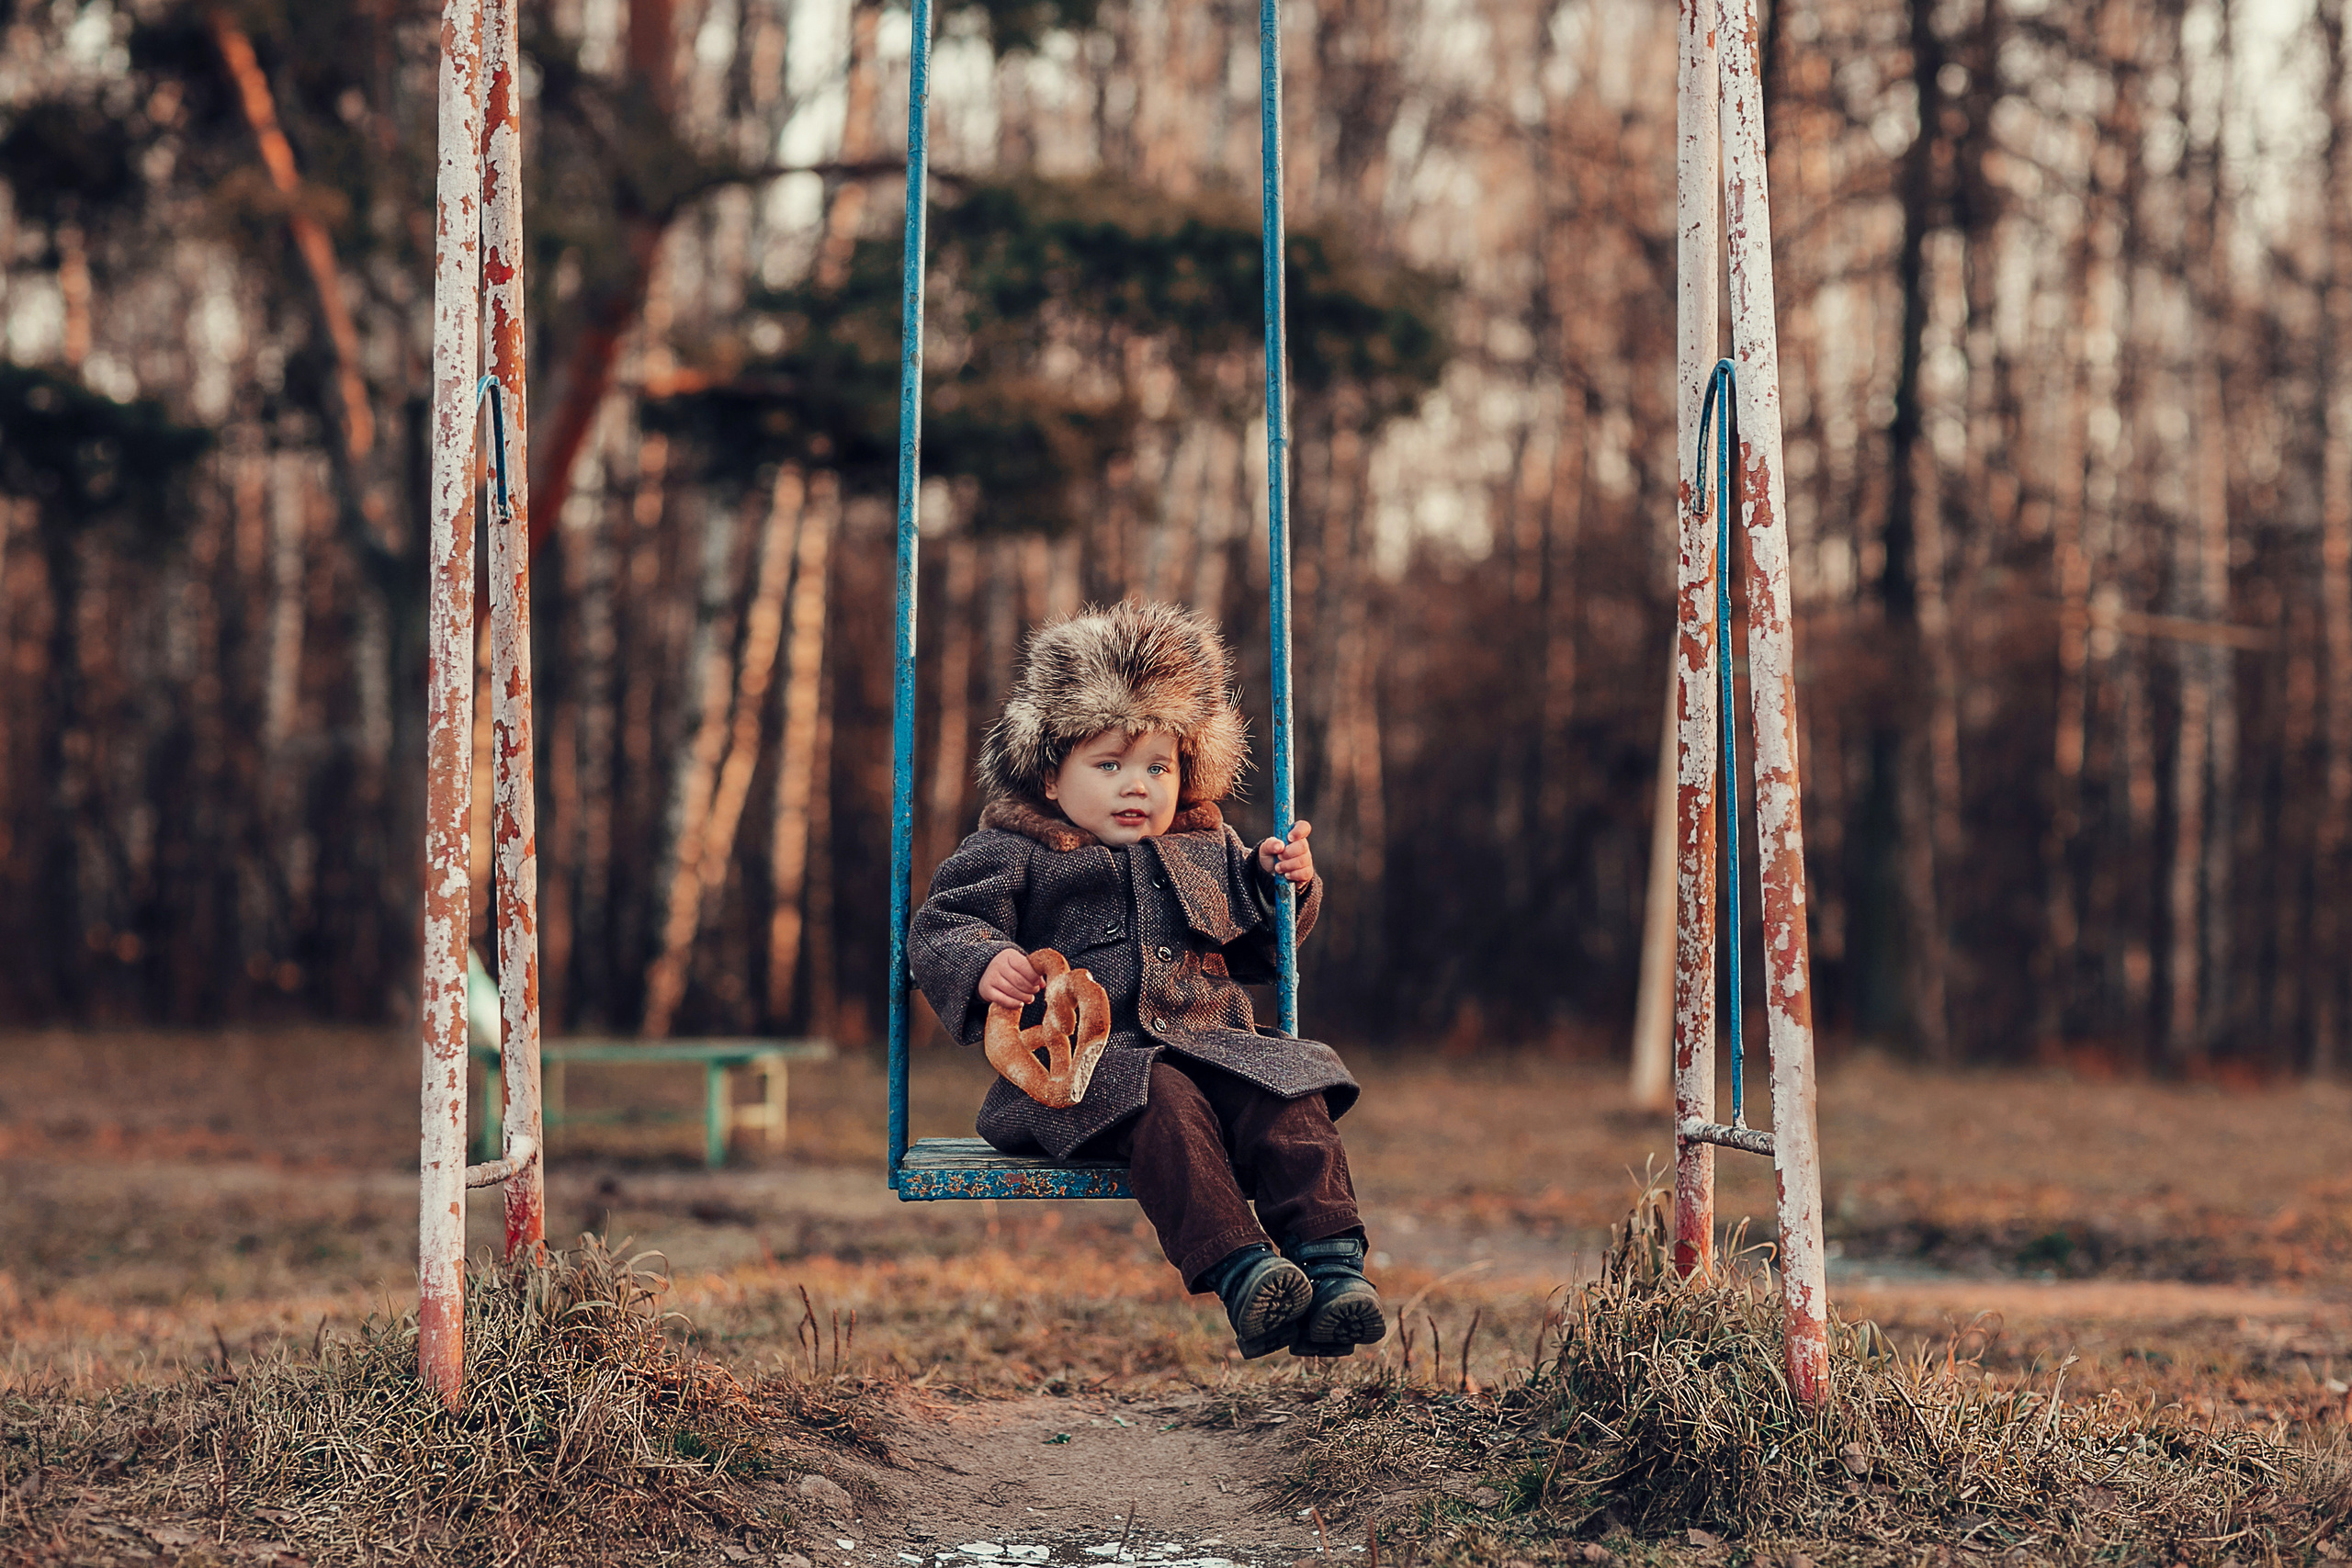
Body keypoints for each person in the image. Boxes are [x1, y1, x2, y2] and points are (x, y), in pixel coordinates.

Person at [909, 600, 1385, 1359]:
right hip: (1087, 1071)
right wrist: (982, 959)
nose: (1138, 786)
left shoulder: (1208, 843)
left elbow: (1268, 949)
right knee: (1162, 1097)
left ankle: (1332, 1269)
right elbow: (940, 925)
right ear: (1052, 777)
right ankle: (1243, 1271)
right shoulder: (1016, 849)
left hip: (1215, 1047)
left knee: (1288, 1089)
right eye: (1110, 765)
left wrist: (1278, 885)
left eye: (1158, 766)